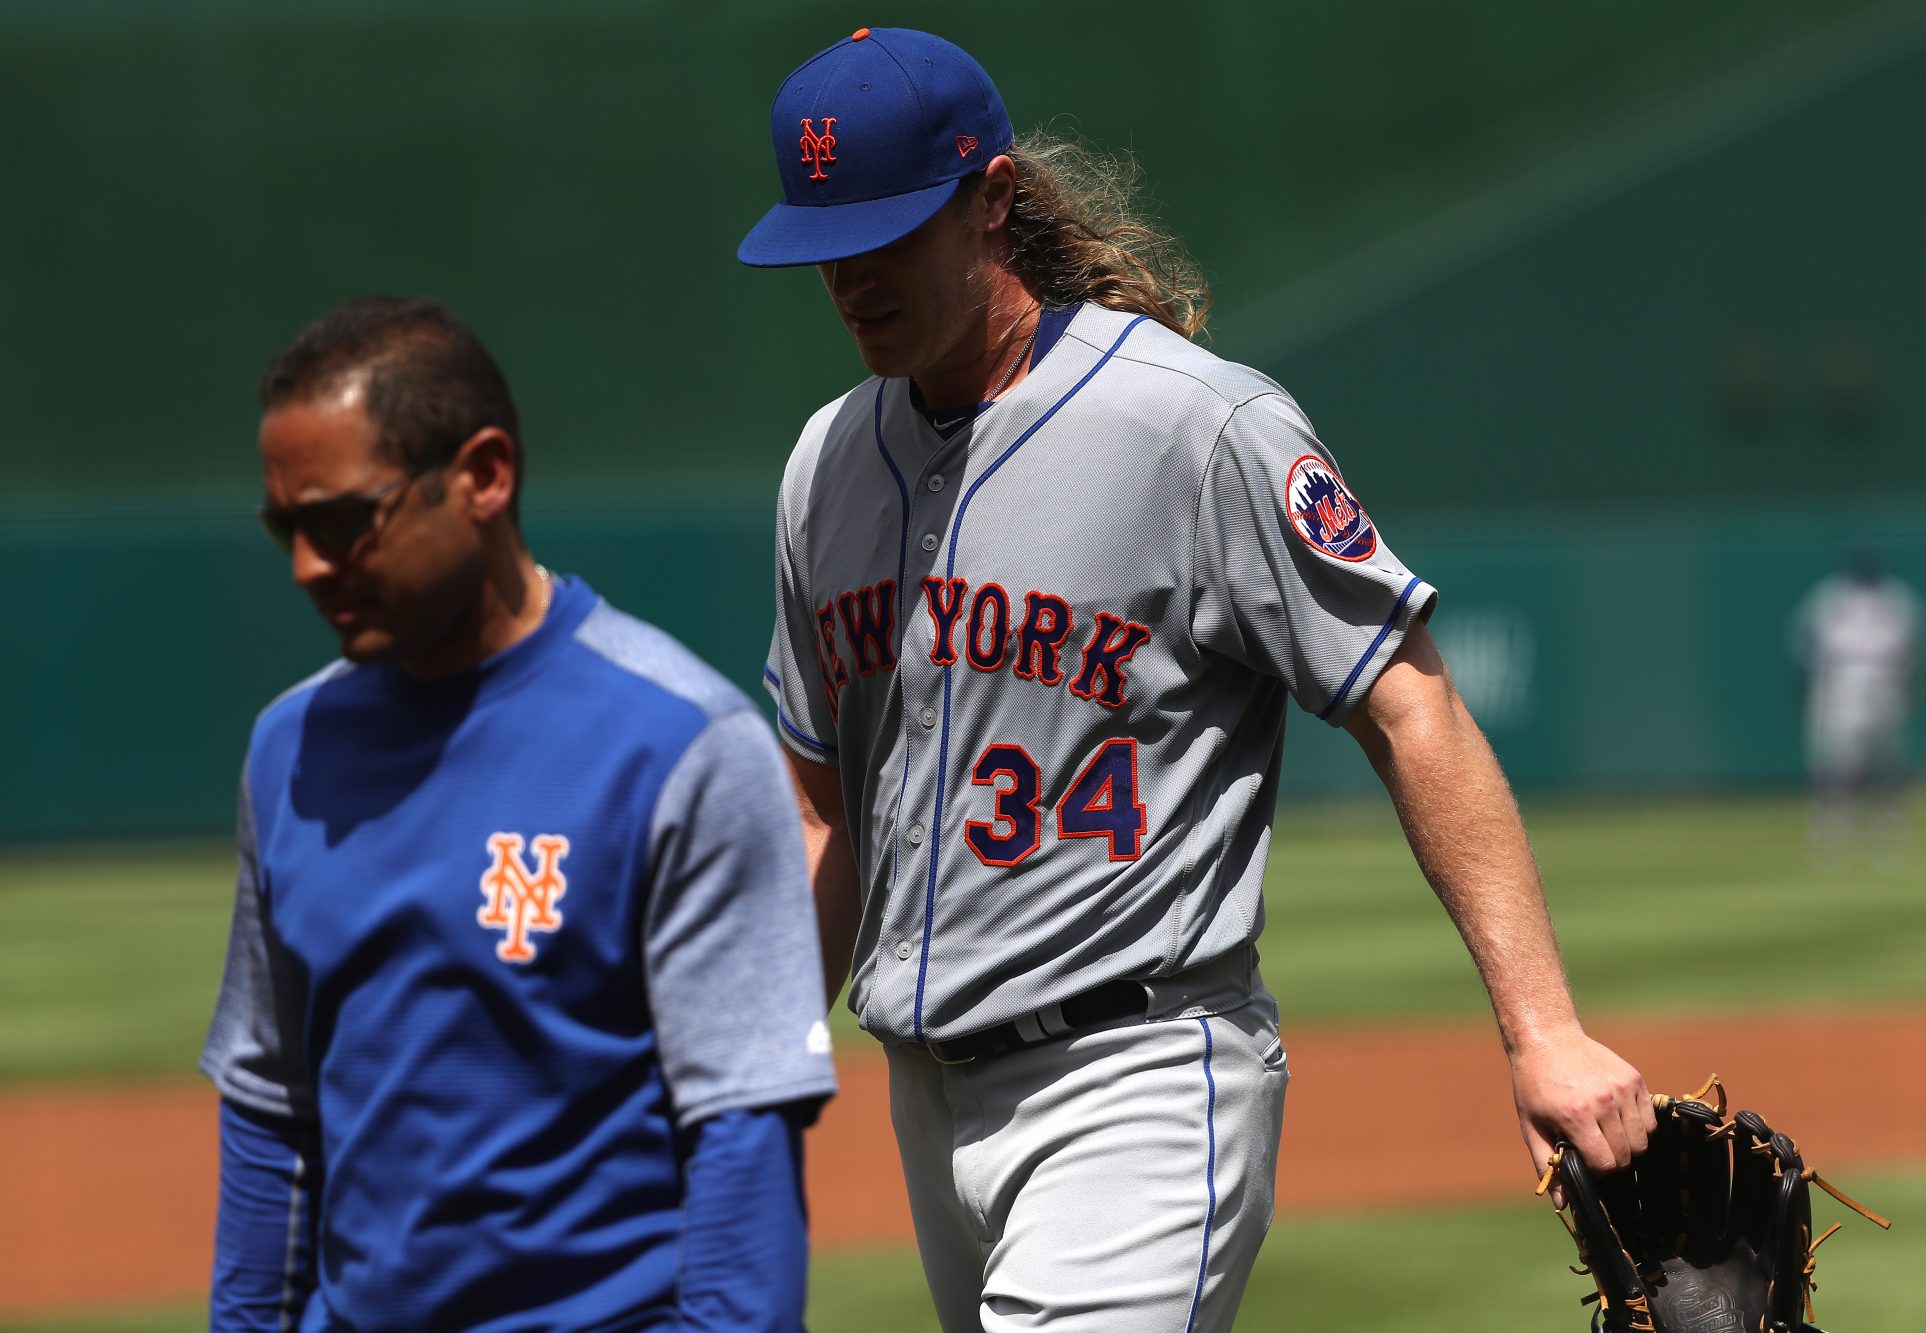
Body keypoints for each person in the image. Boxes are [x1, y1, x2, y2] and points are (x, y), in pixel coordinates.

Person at [738, 27, 1652, 1332]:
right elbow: (822, 804)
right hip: (922, 1097)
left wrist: (1543, 1031)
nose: (851, 275)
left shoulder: (1192, 423)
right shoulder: (824, 465)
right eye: (827, 241)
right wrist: (749, 1070)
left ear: (991, 200)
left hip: (1136, 1078)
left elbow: (1409, 698)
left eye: (887, 230)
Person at [200, 296, 836, 1331]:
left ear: (485, 475)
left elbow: (741, 1139)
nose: (307, 566)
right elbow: (272, 1113)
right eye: (286, 529)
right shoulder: (290, 747)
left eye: (342, 521)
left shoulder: (680, 743)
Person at [1790, 544, 1926, 860]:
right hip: (1843, 683)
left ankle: (1879, 831)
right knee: (1839, 764)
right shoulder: (1833, 598)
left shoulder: (1892, 599)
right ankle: (1836, 831)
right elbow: (1803, 649)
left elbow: (1917, 651)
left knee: (1881, 764)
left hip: (1875, 681)